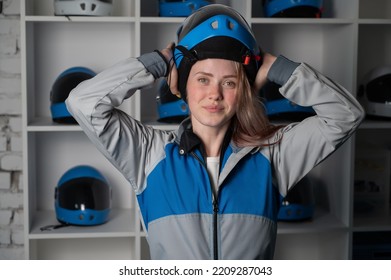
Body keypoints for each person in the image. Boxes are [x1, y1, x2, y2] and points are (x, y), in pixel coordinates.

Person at [65, 4, 364, 259]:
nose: (215, 94)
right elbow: (83, 102)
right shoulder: (148, 154)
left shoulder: (274, 155)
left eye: (230, 82)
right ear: (181, 85)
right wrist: (160, 62)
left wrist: (277, 67)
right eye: (203, 79)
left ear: (244, 90)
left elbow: (346, 115)